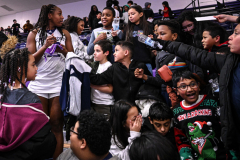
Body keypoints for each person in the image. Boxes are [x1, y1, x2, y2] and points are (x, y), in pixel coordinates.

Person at [154, 15, 240, 156]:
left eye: (236, 33)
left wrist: (232, 18)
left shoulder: (211, 104)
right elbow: (193, 53)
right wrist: (162, 43)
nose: (230, 36)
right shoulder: (228, 62)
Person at [26, 4, 74, 159]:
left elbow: (73, 59)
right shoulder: (34, 34)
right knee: (38, 127)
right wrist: (45, 46)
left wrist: (63, 51)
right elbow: (30, 60)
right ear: (49, 15)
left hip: (57, 84)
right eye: (59, 14)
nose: (62, 17)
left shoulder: (65, 33)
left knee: (56, 125)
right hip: (38, 84)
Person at [0, 48, 56, 160]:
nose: (36, 68)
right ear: (19, 68)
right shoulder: (31, 100)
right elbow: (42, 139)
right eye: (33, 65)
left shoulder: (2, 94)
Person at [134, 20, 205, 108]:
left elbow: (199, 74)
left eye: (162, 34)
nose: (159, 37)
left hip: (189, 93)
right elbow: (159, 81)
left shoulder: (185, 51)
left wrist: (182, 82)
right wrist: (144, 76)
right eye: (157, 35)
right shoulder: (159, 55)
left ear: (174, 36)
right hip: (169, 95)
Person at [172, 70, 228, 159]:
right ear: (176, 91)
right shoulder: (176, 111)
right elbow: (181, 139)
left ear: (198, 86)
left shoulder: (212, 102)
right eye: (183, 86)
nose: (190, 89)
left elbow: (227, 128)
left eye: (192, 84)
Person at [125, 5, 153, 73]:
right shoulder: (127, 28)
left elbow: (153, 45)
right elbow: (124, 44)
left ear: (141, 14)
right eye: (129, 15)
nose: (130, 16)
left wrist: (152, 40)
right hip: (132, 62)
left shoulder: (148, 26)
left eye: (133, 14)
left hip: (146, 61)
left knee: (149, 82)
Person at [90, 40, 114, 118]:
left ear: (106, 53)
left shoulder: (109, 67)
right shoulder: (95, 65)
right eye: (94, 51)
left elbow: (110, 89)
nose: (94, 53)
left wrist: (93, 86)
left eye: (98, 51)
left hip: (105, 104)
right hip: (94, 102)